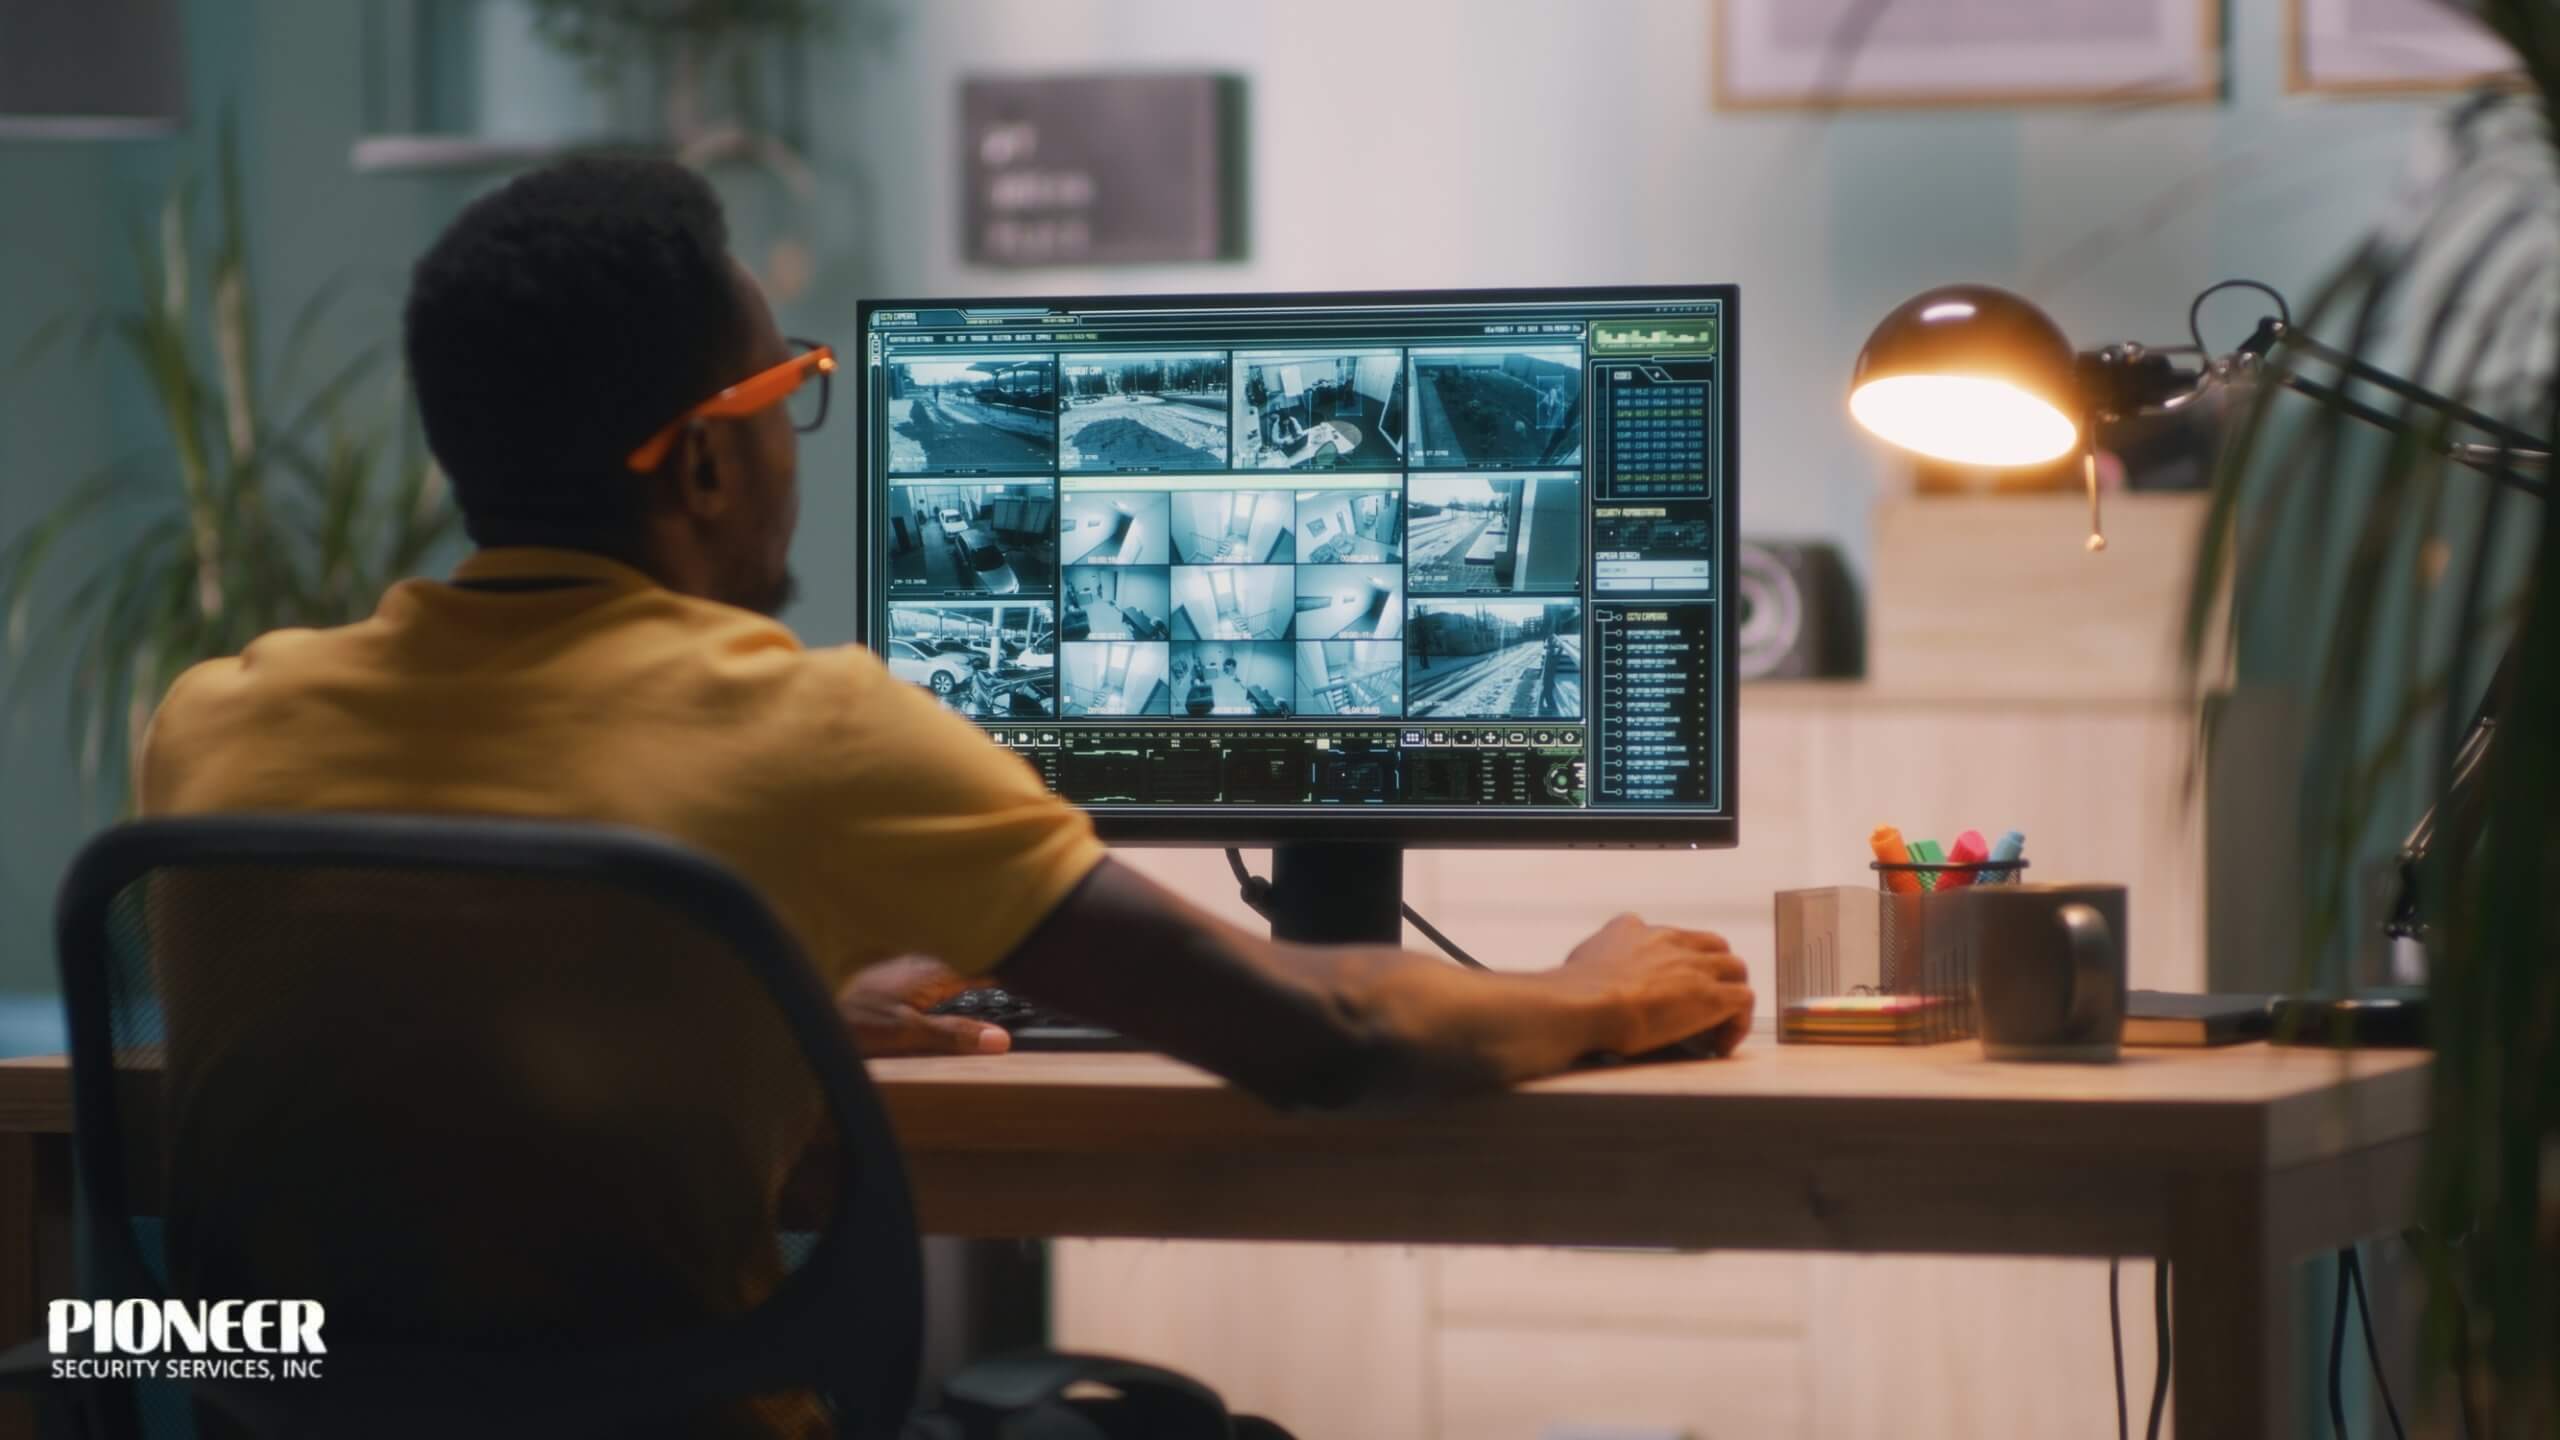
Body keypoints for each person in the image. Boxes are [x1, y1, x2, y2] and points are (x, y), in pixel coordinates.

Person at [135, 156, 1751, 1430]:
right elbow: (1319, 1038)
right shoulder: (813, 729)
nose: (799, 442)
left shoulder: (213, 726)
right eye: (789, 393)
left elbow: (455, 1051)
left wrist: (768, 1007)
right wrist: (1599, 992)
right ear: (703, 461)